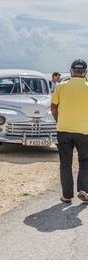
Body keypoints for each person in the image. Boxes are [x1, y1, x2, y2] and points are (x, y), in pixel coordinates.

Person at [51, 59, 88, 203]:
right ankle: (84, 189)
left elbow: (53, 108)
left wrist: (59, 121)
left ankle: (67, 196)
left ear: (71, 72)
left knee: (65, 163)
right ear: (85, 72)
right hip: (84, 131)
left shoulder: (61, 86)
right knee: (85, 160)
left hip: (64, 129)